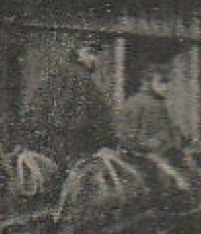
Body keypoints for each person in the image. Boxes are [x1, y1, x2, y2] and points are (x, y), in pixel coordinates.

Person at [18, 37, 115, 168]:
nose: (94, 59)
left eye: (96, 54)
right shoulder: (85, 82)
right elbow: (100, 122)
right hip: (74, 154)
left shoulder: (52, 77)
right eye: (90, 52)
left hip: (46, 153)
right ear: (78, 54)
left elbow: (33, 113)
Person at [116, 65, 180, 157]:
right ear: (148, 83)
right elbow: (164, 140)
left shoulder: (133, 101)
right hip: (149, 160)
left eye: (167, 83)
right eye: (161, 82)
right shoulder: (153, 105)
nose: (166, 87)